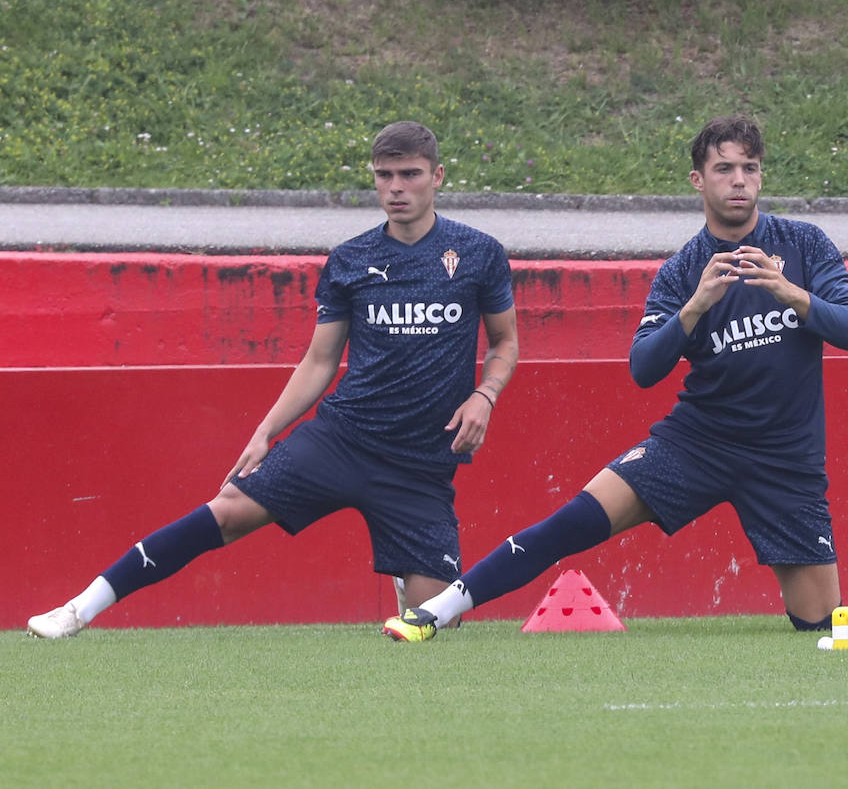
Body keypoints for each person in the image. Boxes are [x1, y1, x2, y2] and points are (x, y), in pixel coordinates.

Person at [381, 113, 848, 641]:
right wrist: (694, 307)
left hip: (786, 460)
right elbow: (643, 369)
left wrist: (789, 293)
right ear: (697, 181)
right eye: (724, 168)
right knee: (572, 521)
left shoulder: (803, 244)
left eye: (749, 168)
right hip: (698, 442)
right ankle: (438, 610)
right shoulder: (684, 270)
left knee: (819, 624)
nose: (738, 181)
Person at [27, 121, 519, 638]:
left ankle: (409, 575)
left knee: (438, 622)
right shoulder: (352, 259)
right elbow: (319, 360)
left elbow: (505, 343)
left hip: (421, 463)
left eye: (410, 174)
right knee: (228, 510)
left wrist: (484, 395)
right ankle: (78, 609)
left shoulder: (478, 253)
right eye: (385, 175)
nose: (396, 187)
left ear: (437, 176)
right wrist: (266, 431)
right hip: (342, 438)